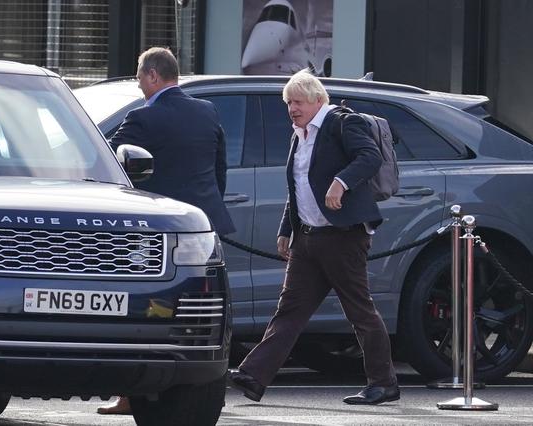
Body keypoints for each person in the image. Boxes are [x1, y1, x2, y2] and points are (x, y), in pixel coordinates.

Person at [227, 69, 399, 405]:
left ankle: (384, 383)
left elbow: (370, 157)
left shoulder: (341, 122)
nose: (292, 107)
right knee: (290, 309)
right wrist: (285, 230)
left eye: (298, 101)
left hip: (342, 236)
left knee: (359, 310)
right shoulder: (299, 135)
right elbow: (298, 188)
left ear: (317, 99)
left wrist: (342, 181)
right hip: (307, 238)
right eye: (288, 102)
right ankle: (254, 376)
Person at [97, 47, 235, 416]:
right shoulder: (207, 111)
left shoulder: (143, 117)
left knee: (146, 310)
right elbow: (219, 167)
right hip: (204, 228)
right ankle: (198, 392)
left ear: (154, 77)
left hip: (159, 233)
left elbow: (109, 164)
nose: (139, 83)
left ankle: (131, 394)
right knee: (204, 314)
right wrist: (208, 212)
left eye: (140, 76)